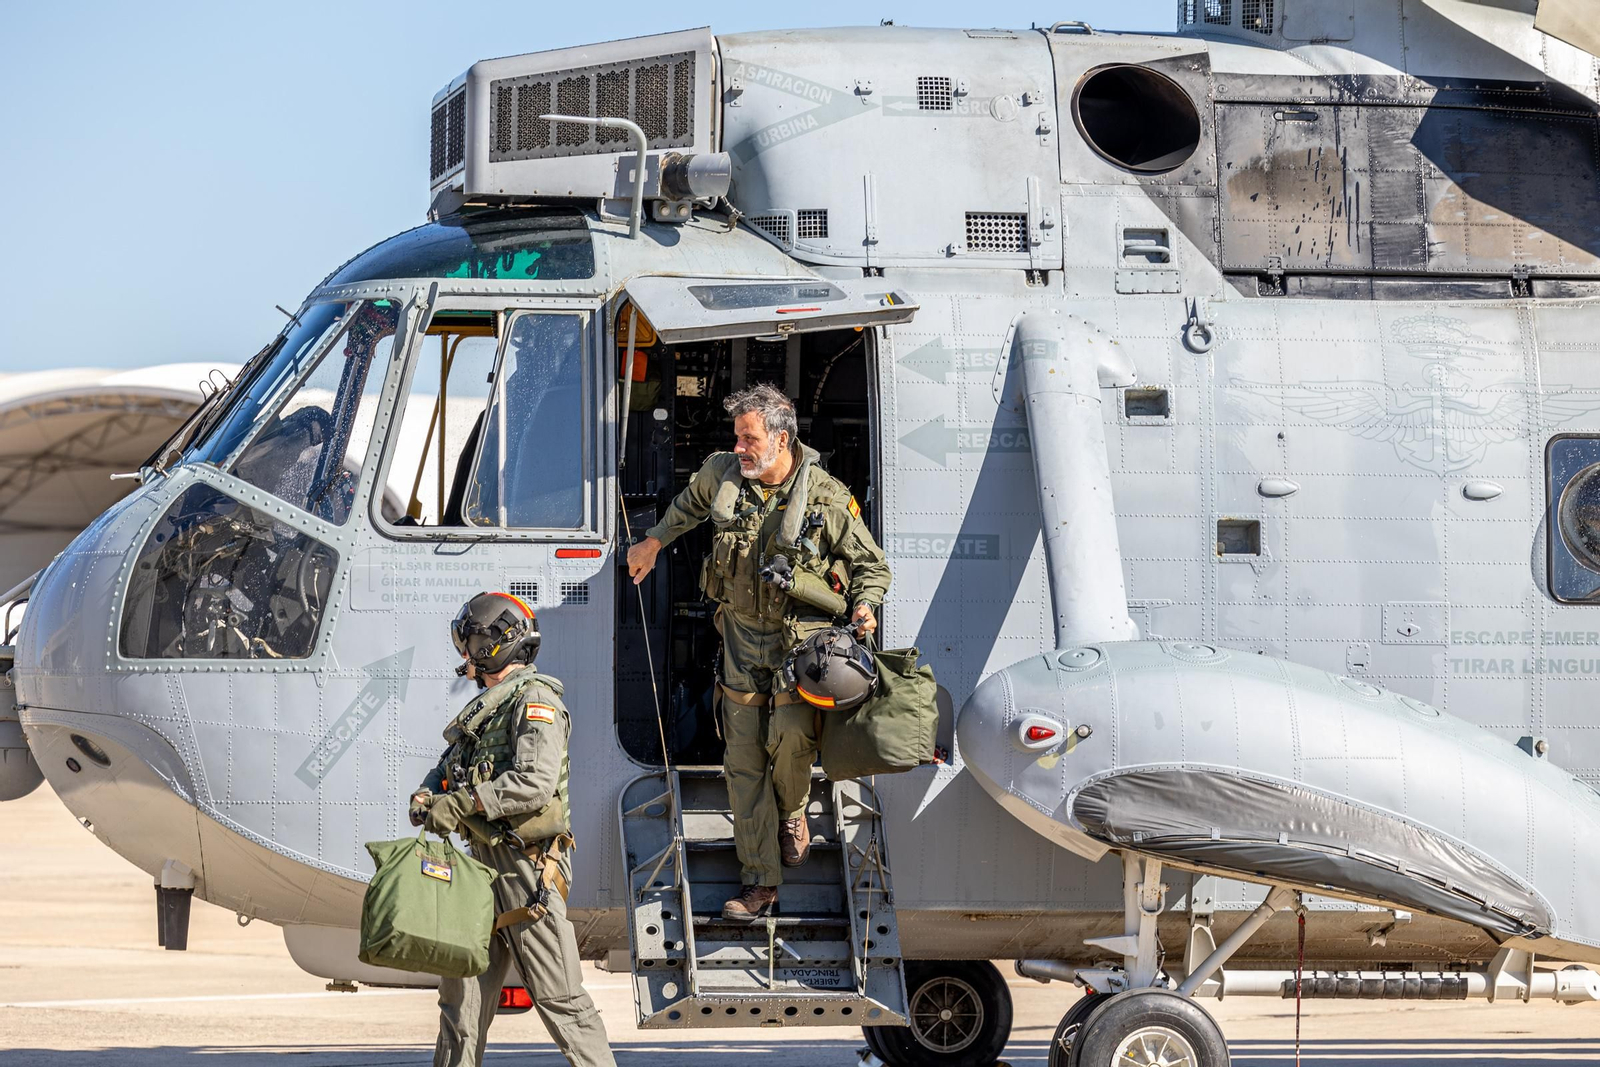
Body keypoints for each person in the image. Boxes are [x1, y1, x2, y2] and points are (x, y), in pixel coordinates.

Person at [626, 383, 891, 920]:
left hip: (803, 647)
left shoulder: (826, 497)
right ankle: (760, 883)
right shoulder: (722, 474)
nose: (740, 447)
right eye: (737, 436)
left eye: (749, 437)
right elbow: (688, 507)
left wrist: (866, 605)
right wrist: (653, 541)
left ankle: (793, 811)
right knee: (743, 761)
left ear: (781, 437)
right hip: (742, 644)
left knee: (790, 741)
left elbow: (872, 567)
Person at [409, 592, 616, 1067]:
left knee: (559, 996)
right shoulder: (489, 710)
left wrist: (460, 803)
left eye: (470, 644)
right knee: (461, 1002)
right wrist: (427, 795)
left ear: (491, 645)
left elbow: (535, 784)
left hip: (526, 869)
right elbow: (448, 768)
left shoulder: (535, 700)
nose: (465, 656)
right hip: (480, 868)